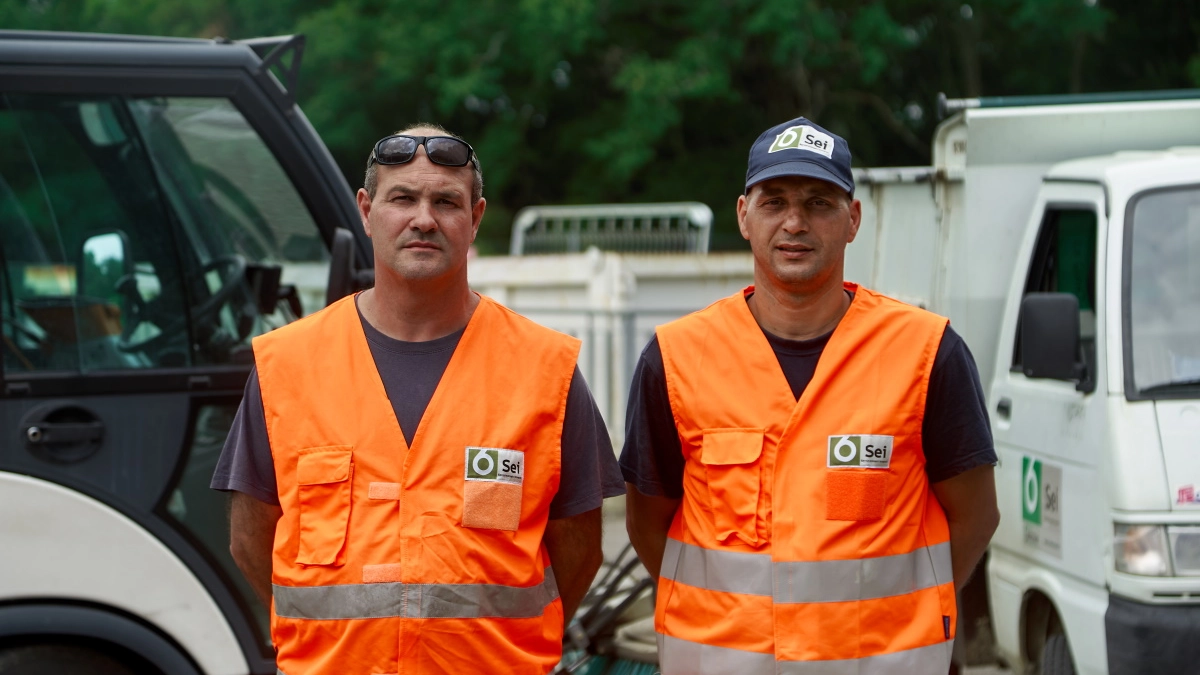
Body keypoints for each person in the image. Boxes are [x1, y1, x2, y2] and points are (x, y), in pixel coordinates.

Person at [211, 124, 624, 675]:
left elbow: (579, 549)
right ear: (366, 209)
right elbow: (249, 539)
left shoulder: (545, 369)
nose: (423, 219)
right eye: (402, 197)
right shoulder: (287, 364)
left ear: (475, 218)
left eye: (446, 201)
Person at [620, 117, 1000, 674]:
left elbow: (975, 517)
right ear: (744, 217)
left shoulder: (927, 352)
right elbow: (648, 523)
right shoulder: (676, 358)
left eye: (819, 203)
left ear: (853, 219)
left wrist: (909, 609)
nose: (794, 223)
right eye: (774, 202)